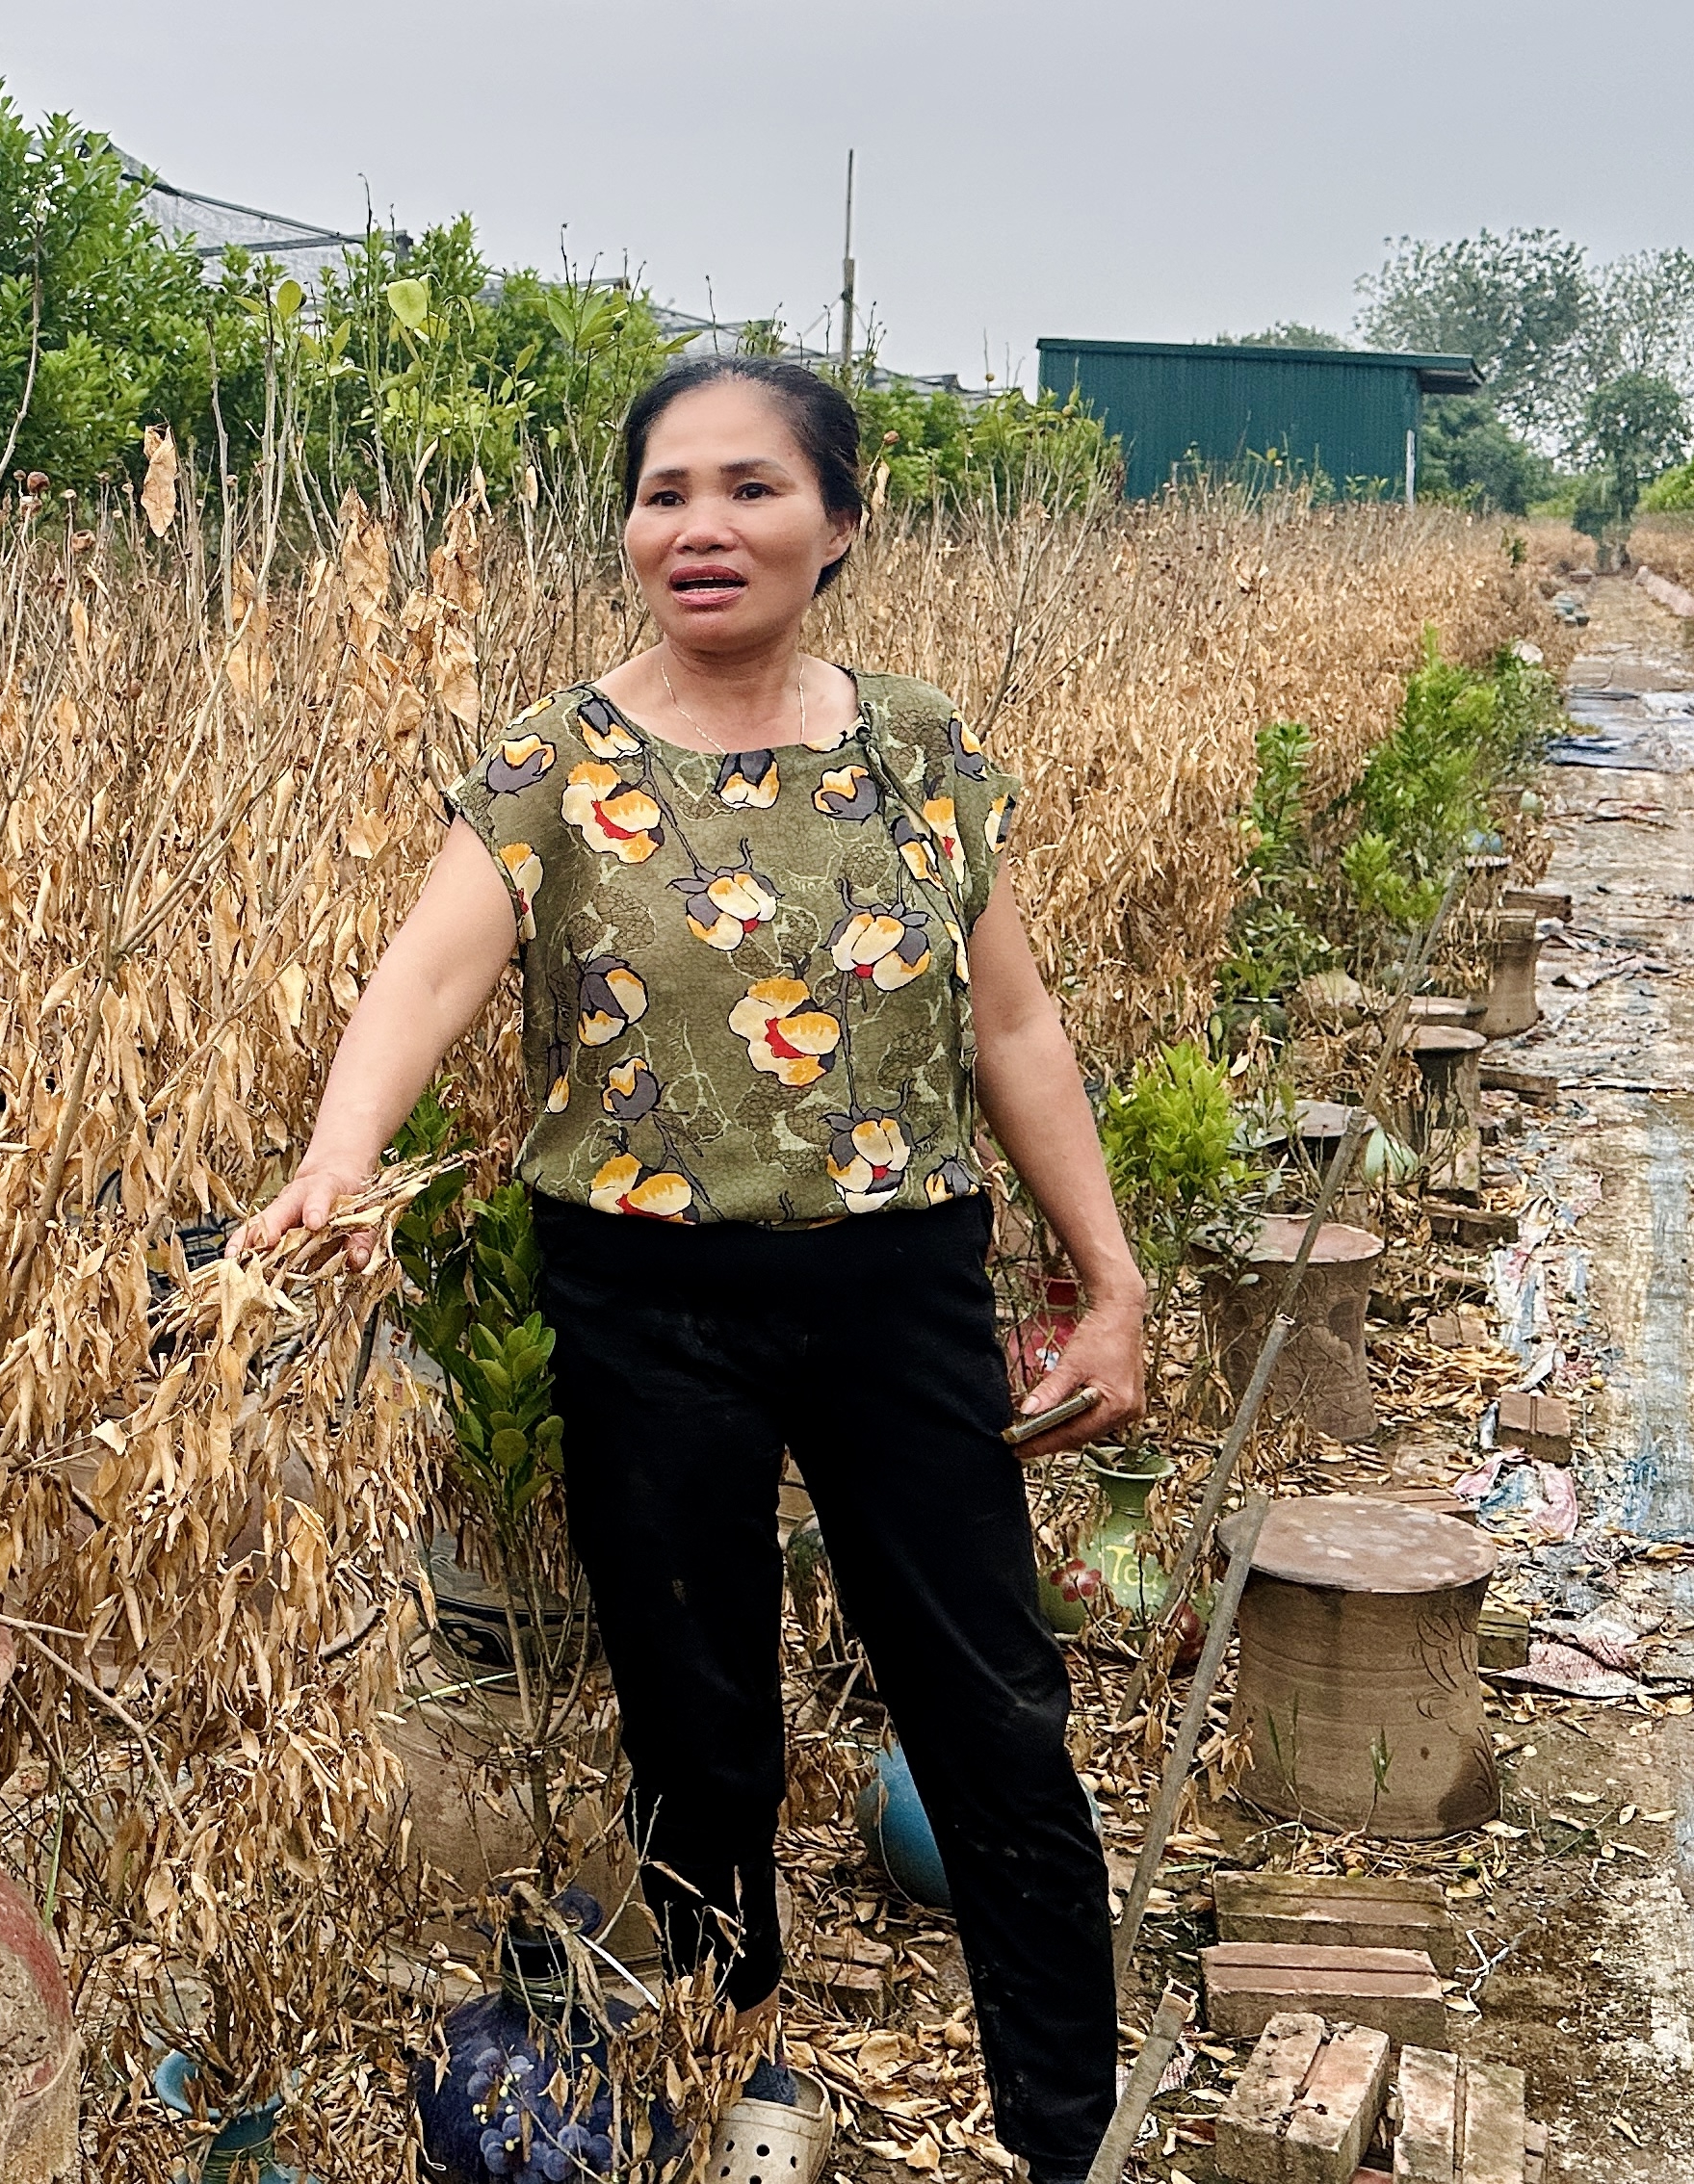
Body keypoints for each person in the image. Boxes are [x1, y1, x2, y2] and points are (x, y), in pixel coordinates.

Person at [241, 354, 1140, 2179]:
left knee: (991, 1715)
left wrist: (1107, 1277)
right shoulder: (556, 765)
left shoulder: (924, 751)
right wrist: (337, 1167)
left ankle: (1069, 2126)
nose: (703, 528)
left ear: (842, 520)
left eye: (752, 488)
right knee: (699, 1727)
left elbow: (1016, 1026)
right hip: (645, 1302)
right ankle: (742, 2090)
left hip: (899, 1290)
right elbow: (428, 973)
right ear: (628, 525)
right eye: (667, 492)